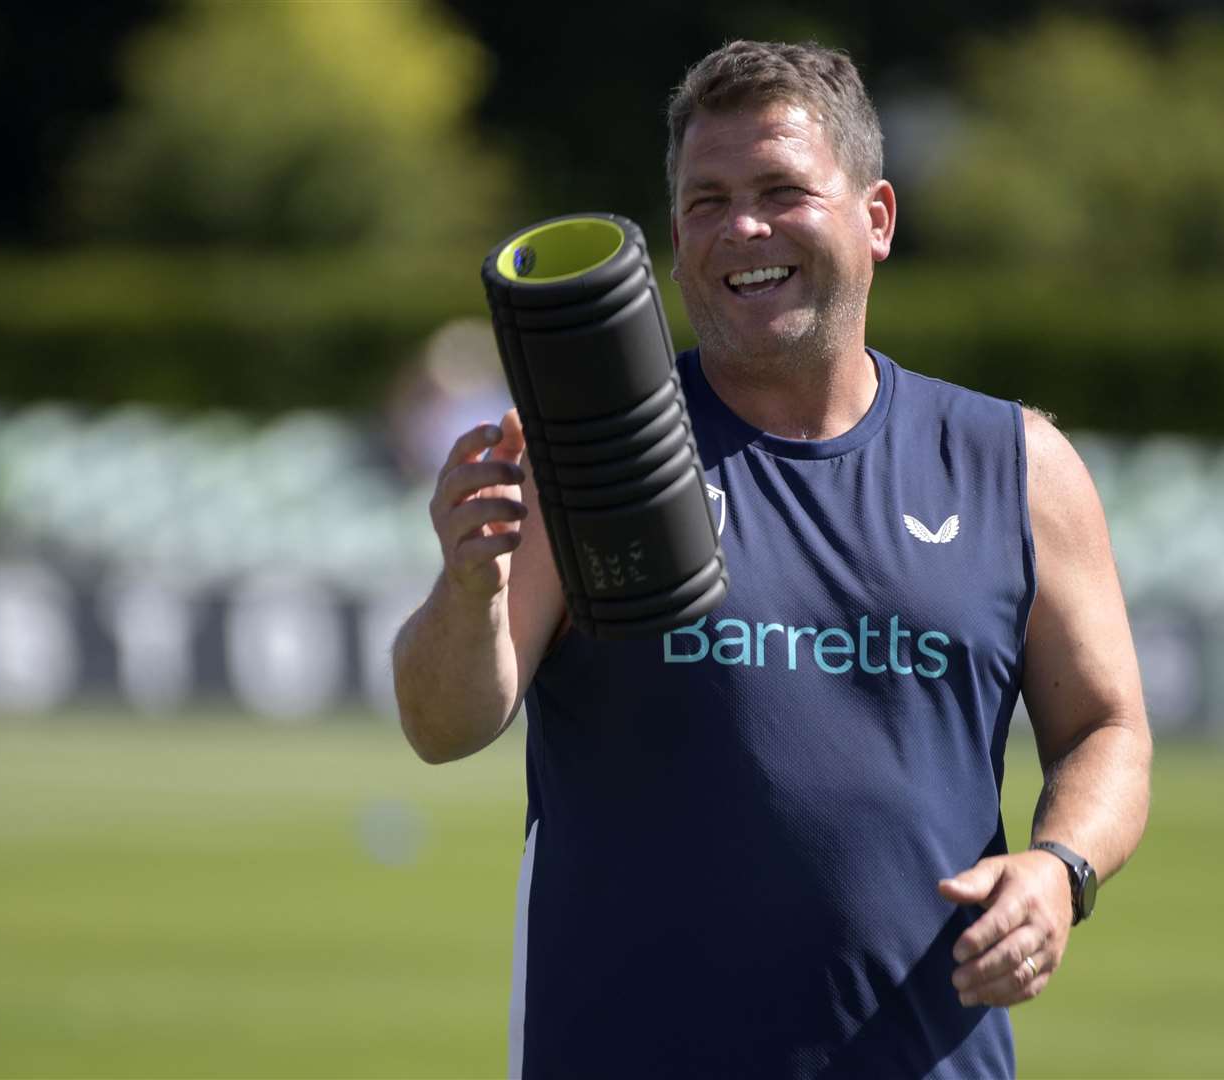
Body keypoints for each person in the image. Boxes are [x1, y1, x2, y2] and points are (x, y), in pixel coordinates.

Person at [392, 40, 1151, 1080]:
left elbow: (1109, 729)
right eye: (707, 201)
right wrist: (468, 590)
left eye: (781, 190)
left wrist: (1061, 872)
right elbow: (443, 722)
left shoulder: (1016, 466)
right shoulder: (590, 447)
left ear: (876, 218)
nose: (741, 227)